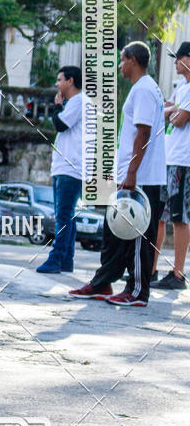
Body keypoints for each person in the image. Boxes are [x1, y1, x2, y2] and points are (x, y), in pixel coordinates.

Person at [69, 42, 166, 306]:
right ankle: (103, 282)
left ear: (133, 60)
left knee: (137, 237)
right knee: (112, 230)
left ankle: (137, 292)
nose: (120, 65)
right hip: (130, 174)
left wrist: (132, 172)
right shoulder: (143, 89)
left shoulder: (145, 90)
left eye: (122, 60)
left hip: (142, 178)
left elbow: (143, 133)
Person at [37, 65, 91, 274]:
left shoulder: (78, 101)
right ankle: (67, 259)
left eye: (60, 80)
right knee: (67, 216)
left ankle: (56, 258)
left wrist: (57, 106)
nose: (57, 84)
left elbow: (60, 125)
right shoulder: (74, 102)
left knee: (63, 216)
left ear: (70, 81)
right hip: (65, 167)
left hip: (71, 168)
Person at [151, 41, 190, 290]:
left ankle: (177, 273)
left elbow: (178, 120)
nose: (175, 62)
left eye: (179, 58)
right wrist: (174, 110)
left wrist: (173, 111)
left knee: (180, 217)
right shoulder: (182, 87)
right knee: (160, 216)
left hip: (184, 160)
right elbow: (165, 109)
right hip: (170, 157)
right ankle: (151, 268)